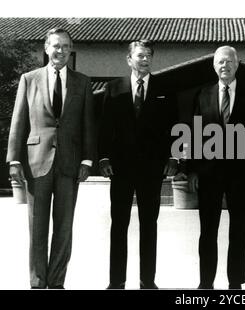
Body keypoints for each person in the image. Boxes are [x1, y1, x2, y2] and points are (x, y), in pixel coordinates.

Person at [6, 28, 96, 289]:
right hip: (37, 162)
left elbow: (88, 124)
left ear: (71, 50)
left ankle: (56, 282)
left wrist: (88, 160)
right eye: (56, 46)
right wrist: (14, 160)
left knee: (64, 227)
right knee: (37, 227)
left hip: (70, 163)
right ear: (46, 48)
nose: (61, 51)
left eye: (66, 47)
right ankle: (37, 281)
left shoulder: (82, 82)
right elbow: (19, 120)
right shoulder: (29, 79)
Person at [98, 40, 177, 289]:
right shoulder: (113, 88)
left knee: (149, 224)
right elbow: (104, 128)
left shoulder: (165, 88)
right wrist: (103, 157)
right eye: (140, 55)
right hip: (120, 168)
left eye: (149, 56)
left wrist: (174, 158)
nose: (145, 60)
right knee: (119, 224)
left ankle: (147, 280)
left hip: (152, 169)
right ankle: (116, 281)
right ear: (129, 59)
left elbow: (174, 127)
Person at [187, 46, 245, 289]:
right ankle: (206, 281)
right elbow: (194, 134)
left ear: (237, 65)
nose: (224, 66)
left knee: (239, 229)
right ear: (214, 66)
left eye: (229, 61)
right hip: (209, 174)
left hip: (240, 175)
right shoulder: (202, 94)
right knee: (207, 230)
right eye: (220, 62)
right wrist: (193, 170)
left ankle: (236, 282)